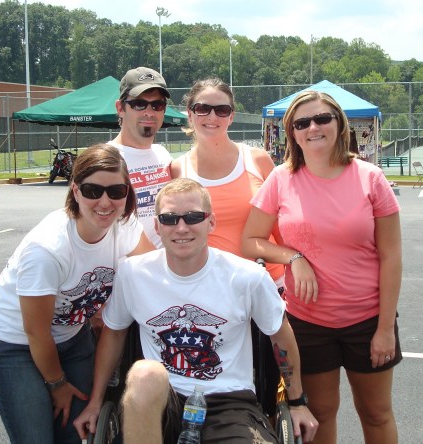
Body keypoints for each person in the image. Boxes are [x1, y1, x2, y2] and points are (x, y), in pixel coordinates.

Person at [74, 178, 318, 444]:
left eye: (193, 217)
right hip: (163, 399)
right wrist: (96, 402)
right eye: (169, 218)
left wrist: (297, 402)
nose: (181, 227)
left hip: (229, 401)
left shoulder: (248, 277)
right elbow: (114, 334)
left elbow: (280, 336)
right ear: (157, 225)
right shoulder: (133, 274)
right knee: (144, 373)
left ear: (210, 222)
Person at [242, 91, 402, 444]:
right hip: (308, 322)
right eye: (302, 123)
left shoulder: (370, 177)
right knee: (320, 415)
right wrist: (293, 258)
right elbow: (251, 240)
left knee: (376, 414)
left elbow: (391, 256)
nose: (313, 127)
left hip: (368, 320)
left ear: (339, 124)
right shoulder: (281, 179)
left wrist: (385, 327)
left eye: (322, 118)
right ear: (293, 134)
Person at [0, 144, 153, 444]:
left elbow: (152, 275)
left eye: (116, 191)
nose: (106, 202)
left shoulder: (125, 225)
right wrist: (57, 385)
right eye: (93, 191)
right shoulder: (47, 249)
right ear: (75, 190)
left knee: (74, 432)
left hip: (71, 336)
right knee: (37, 438)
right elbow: (36, 332)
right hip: (12, 344)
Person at [170, 77, 284, 416]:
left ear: (231, 116)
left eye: (221, 109)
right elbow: (176, 229)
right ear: (189, 114)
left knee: (268, 386)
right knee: (219, 381)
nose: (212, 116)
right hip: (213, 292)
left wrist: (293, 264)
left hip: (266, 284)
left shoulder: (258, 160)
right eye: (202, 108)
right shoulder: (179, 168)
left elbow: (280, 226)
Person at [108, 66, 173, 248]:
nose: (149, 112)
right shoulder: (105, 160)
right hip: (128, 270)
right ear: (120, 108)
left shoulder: (163, 155)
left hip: (168, 267)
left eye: (157, 105)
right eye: (139, 104)